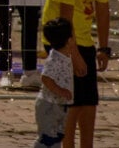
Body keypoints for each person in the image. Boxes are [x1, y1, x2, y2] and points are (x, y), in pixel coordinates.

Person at [41, 0, 119, 148]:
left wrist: (104, 48)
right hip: (61, 42)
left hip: (83, 41)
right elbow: (65, 21)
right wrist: (74, 56)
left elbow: (103, 12)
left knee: (89, 102)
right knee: (71, 103)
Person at [33, 18, 76, 148]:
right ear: (69, 41)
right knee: (47, 139)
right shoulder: (54, 59)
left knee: (57, 137)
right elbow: (46, 78)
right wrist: (60, 91)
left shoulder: (64, 57)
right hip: (48, 105)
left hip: (59, 105)